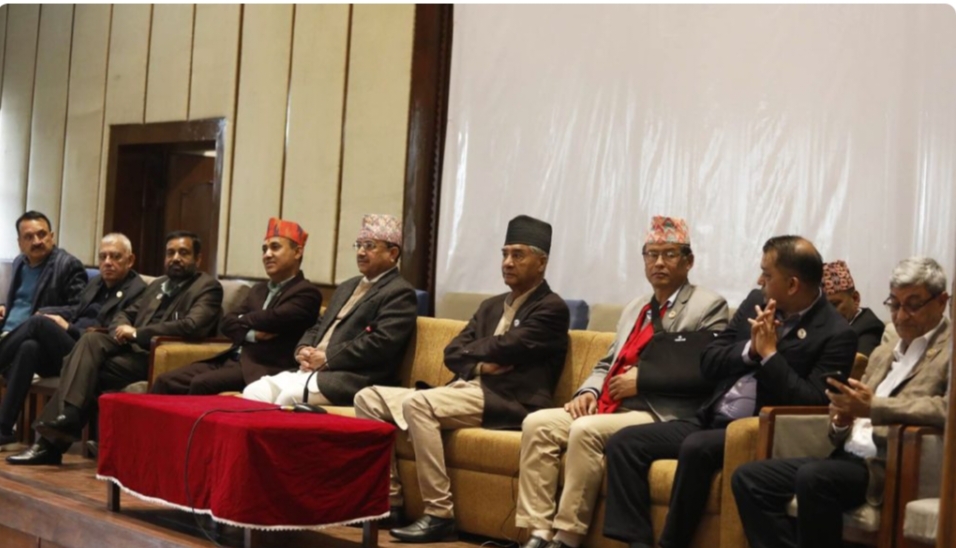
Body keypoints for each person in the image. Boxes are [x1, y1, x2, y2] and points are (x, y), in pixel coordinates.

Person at [602, 235, 858, 548]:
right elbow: (709, 360)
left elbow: (812, 402)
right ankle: (637, 542)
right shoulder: (756, 301)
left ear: (792, 285)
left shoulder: (836, 334)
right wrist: (751, 349)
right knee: (624, 443)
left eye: (767, 274)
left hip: (757, 428)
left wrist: (770, 355)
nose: (759, 280)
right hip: (709, 416)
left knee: (697, 447)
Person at [516, 216, 730, 548]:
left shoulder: (708, 305)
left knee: (584, 430)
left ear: (688, 262)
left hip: (659, 411)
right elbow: (607, 363)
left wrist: (643, 381)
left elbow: (702, 370)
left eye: (669, 254)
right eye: (651, 254)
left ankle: (567, 536)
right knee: (537, 423)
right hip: (612, 402)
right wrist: (589, 390)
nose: (659, 263)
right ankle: (538, 531)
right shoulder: (635, 307)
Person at [354, 214, 571, 544]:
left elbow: (508, 347)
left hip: (509, 400)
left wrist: (477, 352)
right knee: (367, 398)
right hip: (467, 388)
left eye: (518, 255)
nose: (508, 262)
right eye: (505, 254)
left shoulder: (552, 308)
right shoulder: (490, 306)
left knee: (418, 404)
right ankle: (389, 503)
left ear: (541, 263)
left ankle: (439, 514)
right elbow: (452, 352)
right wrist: (481, 365)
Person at [732, 256, 950, 548]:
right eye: (894, 304)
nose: (901, 316)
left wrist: (874, 408)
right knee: (749, 478)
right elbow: (845, 420)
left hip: (887, 465)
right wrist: (842, 420)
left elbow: (946, 409)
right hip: (844, 456)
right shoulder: (884, 353)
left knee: (814, 478)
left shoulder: (949, 351)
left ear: (941, 301)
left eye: (913, 305)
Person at [7, 231, 223, 465]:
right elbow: (125, 314)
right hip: (130, 352)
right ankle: (65, 421)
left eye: (183, 253)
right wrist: (123, 327)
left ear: (198, 258)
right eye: (170, 253)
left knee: (85, 369)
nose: (175, 258)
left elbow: (192, 326)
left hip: (158, 356)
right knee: (89, 341)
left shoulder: (207, 287)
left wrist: (137, 333)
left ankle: (51, 441)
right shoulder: (159, 285)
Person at [242, 214, 417, 406]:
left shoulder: (399, 292)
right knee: (254, 392)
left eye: (369, 246)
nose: (360, 252)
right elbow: (318, 325)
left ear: (392, 253)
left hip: (352, 377)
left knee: (289, 398)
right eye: (358, 245)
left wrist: (327, 358)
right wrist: (303, 349)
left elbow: (381, 344)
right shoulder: (347, 287)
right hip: (312, 370)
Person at [0, 233, 146, 449]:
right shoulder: (96, 283)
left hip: (91, 353)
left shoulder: (137, 290)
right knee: (29, 347)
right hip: (71, 348)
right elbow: (76, 310)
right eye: (103, 257)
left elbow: (113, 332)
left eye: (115, 257)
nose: (108, 262)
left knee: (37, 324)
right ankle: (3, 429)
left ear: (130, 260)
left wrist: (68, 327)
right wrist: (53, 314)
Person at [151, 218, 322, 395]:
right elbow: (227, 323)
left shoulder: (307, 292)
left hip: (263, 368)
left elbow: (274, 319)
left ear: (297, 252)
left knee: (202, 383)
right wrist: (253, 333)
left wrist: (242, 319)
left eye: (275, 247)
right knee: (165, 380)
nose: (267, 254)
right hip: (231, 358)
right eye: (264, 249)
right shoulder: (258, 290)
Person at [0, 210, 87, 347]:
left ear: (51, 237)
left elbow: (80, 308)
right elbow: (22, 300)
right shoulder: (19, 262)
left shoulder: (68, 264)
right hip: (7, 331)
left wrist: (44, 313)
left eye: (42, 234)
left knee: (29, 346)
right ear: (20, 243)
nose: (36, 242)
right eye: (28, 237)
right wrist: (4, 307)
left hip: (35, 336)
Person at [823, 260, 885, 356]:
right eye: (823, 306)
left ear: (855, 299)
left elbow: (859, 362)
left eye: (834, 304)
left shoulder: (869, 327)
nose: (828, 313)